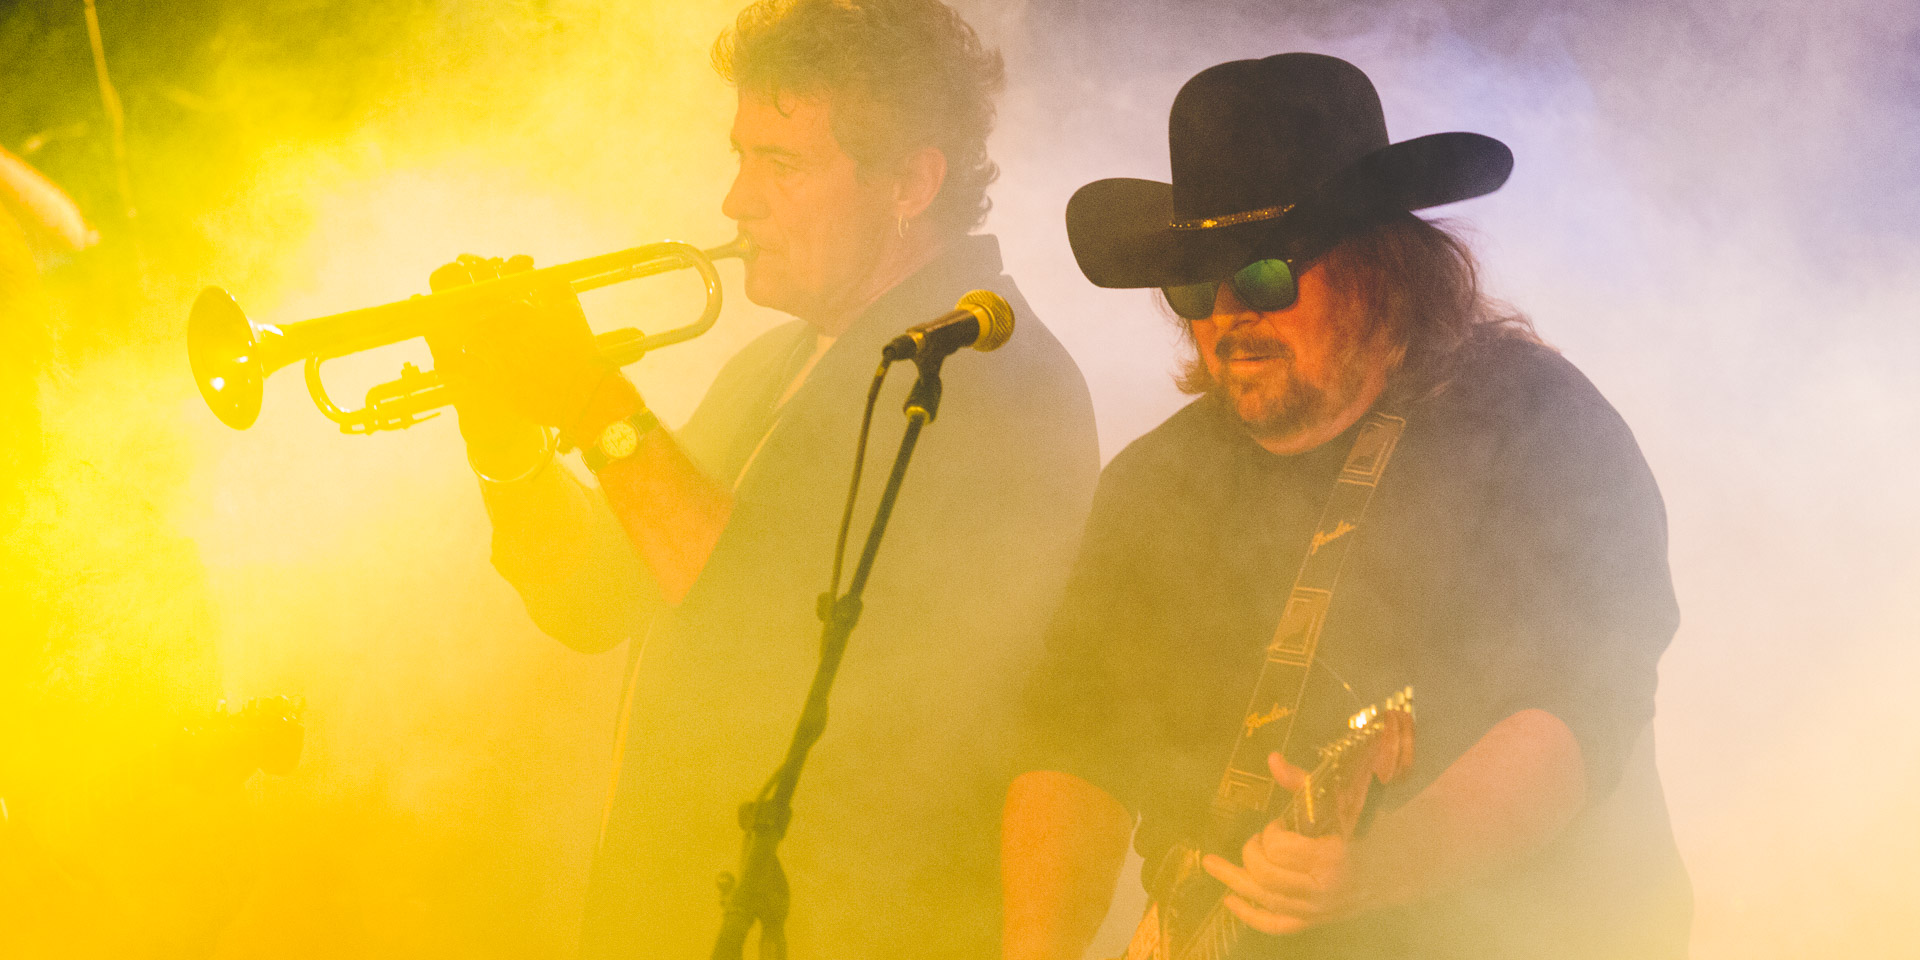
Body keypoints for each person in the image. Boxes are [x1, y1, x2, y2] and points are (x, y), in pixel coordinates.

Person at [431, 1, 1098, 957]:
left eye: (781, 164)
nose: (737, 201)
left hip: (847, 927)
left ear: (911, 181)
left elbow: (779, 636)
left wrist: (589, 400)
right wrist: (504, 439)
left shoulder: (995, 376)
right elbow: (592, 599)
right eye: (741, 155)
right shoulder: (773, 365)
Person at [1003, 53, 1690, 960]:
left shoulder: (1535, 427)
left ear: (1380, 264)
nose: (1226, 314)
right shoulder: (1154, 483)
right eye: (1194, 284)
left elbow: (1575, 707)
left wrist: (1373, 873)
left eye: (1263, 275)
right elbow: (1074, 738)